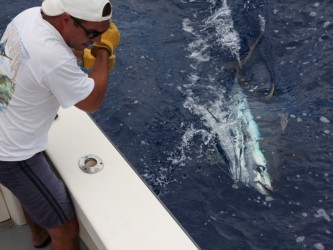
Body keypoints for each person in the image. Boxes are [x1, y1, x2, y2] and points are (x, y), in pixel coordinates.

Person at [0, 0, 120, 248]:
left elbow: (59, 50)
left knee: (31, 194)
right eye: (92, 34)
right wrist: (104, 52)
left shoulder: (30, 16)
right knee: (66, 227)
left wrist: (86, 50)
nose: (95, 40)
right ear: (66, 19)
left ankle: (38, 235)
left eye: (101, 35)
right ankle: (47, 234)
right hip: (12, 153)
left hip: (6, 125)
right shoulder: (52, 58)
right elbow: (91, 101)